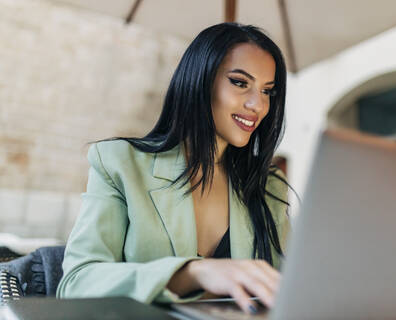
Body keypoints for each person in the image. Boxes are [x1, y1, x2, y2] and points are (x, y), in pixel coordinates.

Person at [56, 23, 290, 315]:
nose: (258, 105)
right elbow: (78, 282)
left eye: (268, 91)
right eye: (240, 83)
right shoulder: (120, 164)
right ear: (200, 81)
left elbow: (287, 290)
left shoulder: (269, 185)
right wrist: (194, 272)